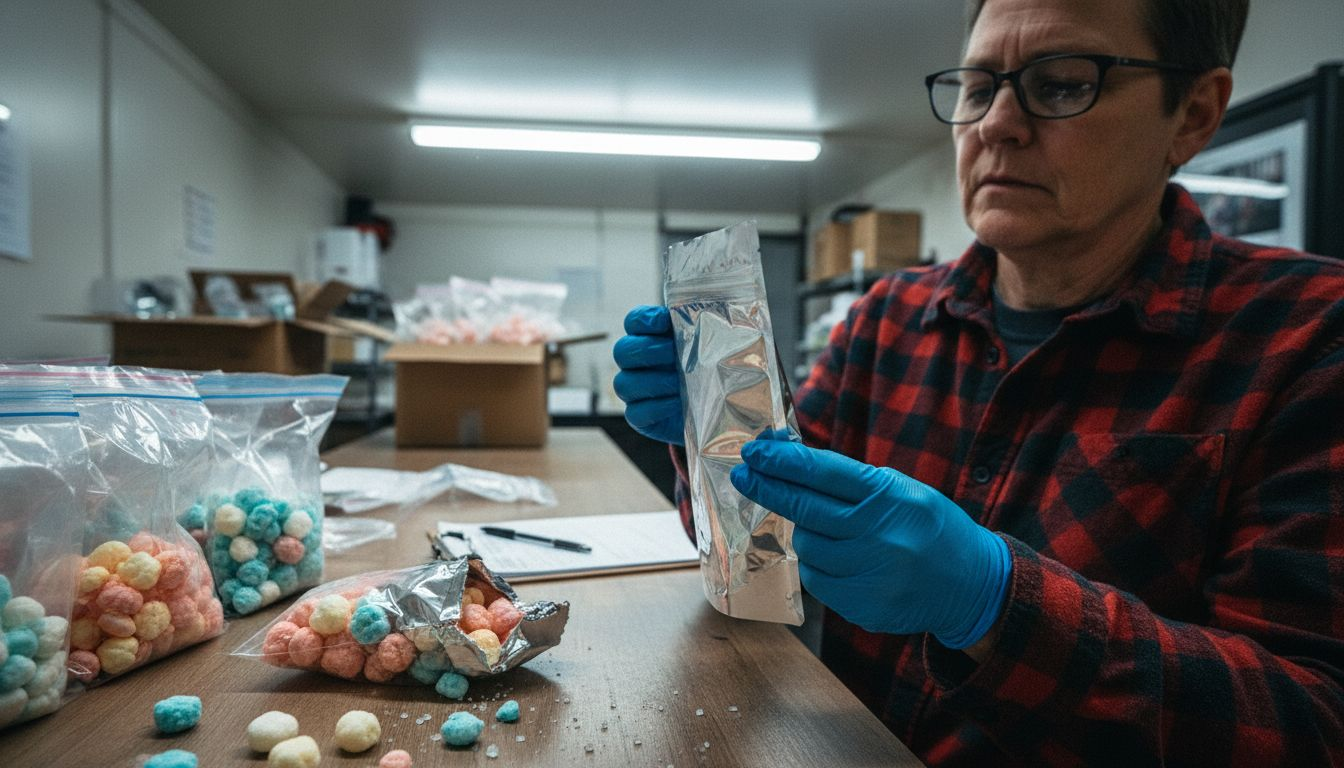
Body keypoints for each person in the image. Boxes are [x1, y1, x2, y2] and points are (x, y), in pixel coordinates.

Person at [613, 0, 1344, 764]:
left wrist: (997, 605)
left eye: (1062, 84)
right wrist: (711, 437)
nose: (996, 125)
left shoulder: (1309, 339)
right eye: (978, 87)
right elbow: (767, 552)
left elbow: (1316, 724)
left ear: (1193, 114)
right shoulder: (887, 320)